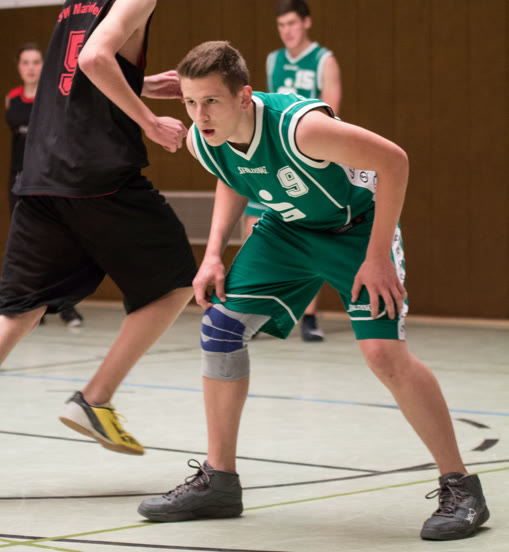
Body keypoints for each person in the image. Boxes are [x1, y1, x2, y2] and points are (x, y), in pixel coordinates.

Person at [137, 41, 489, 541]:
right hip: (287, 231)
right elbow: (231, 175)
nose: (200, 115)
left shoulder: (301, 128)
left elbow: (394, 162)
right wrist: (213, 252)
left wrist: (377, 256)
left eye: (211, 101)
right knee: (220, 329)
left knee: (384, 354)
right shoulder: (202, 138)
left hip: (357, 231)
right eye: (191, 102)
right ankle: (219, 482)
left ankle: (461, 486)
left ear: (244, 97)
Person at [0, 0, 197, 456]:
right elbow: (92, 58)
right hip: (95, 174)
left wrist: (142, 83)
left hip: (42, 173)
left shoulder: (74, 3)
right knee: (176, 281)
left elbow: (72, 73)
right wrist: (149, 121)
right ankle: (95, 399)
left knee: (18, 310)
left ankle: (95, 400)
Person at [245, 0, 342, 342]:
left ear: (306, 22)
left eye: (292, 23)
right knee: (254, 227)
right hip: (272, 155)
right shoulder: (274, 60)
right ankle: (257, 313)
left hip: (306, 157)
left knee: (307, 233)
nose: (286, 30)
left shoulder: (324, 60)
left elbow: (331, 113)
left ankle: (308, 317)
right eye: (281, 25)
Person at [4, 43, 84, 328]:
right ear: (19, 67)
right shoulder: (11, 99)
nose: (31, 68)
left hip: (50, 177)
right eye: (25, 62)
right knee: (26, 246)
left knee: (60, 242)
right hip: (19, 179)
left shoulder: (53, 95)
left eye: (36, 62)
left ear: (44, 65)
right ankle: (30, 306)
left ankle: (66, 308)